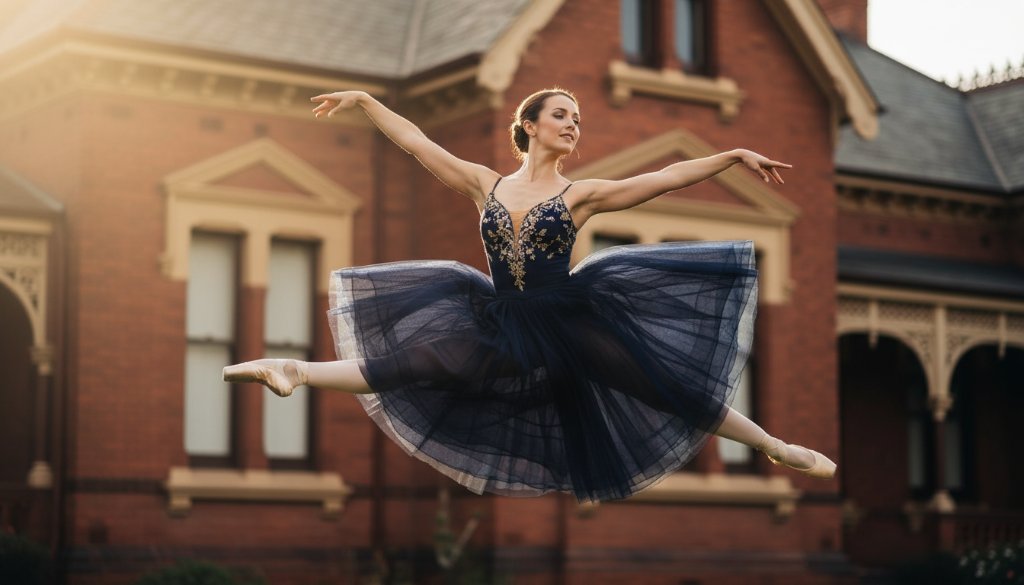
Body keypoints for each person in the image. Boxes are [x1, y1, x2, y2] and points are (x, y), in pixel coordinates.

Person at [223, 88, 835, 502]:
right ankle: (295, 370)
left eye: (578, 119)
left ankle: (774, 446)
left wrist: (731, 156)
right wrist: (364, 100)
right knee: (418, 363)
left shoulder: (580, 195)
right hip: (502, 324)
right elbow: (415, 142)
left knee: (658, 384)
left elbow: (663, 177)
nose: (573, 125)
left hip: (568, 321)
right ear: (530, 125)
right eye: (562, 115)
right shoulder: (484, 185)